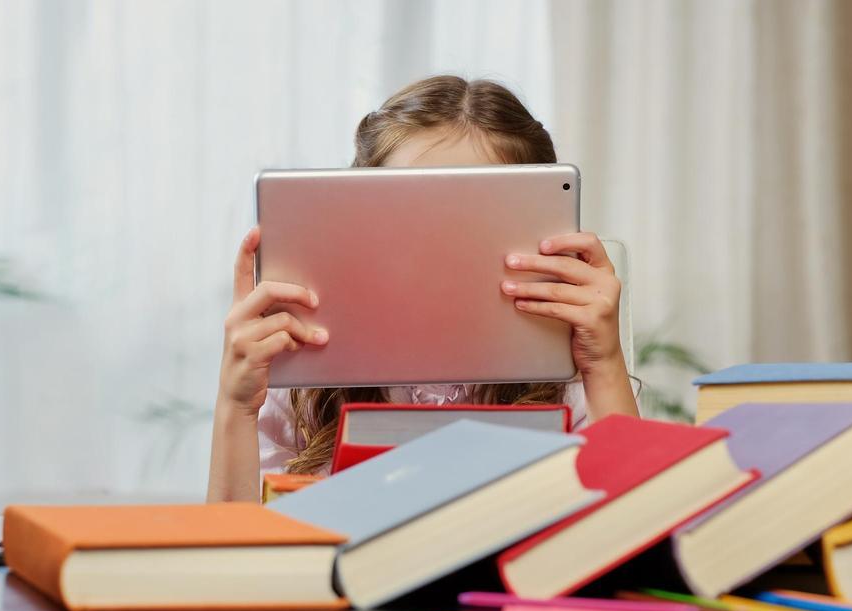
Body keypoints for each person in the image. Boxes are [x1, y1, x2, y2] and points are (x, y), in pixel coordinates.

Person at [208, 76, 638, 502]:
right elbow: (232, 551)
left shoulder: (567, 381)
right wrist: (237, 404)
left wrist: (605, 365)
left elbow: (638, 539)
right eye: (407, 217)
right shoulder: (304, 382)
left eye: (472, 224)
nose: (435, 255)